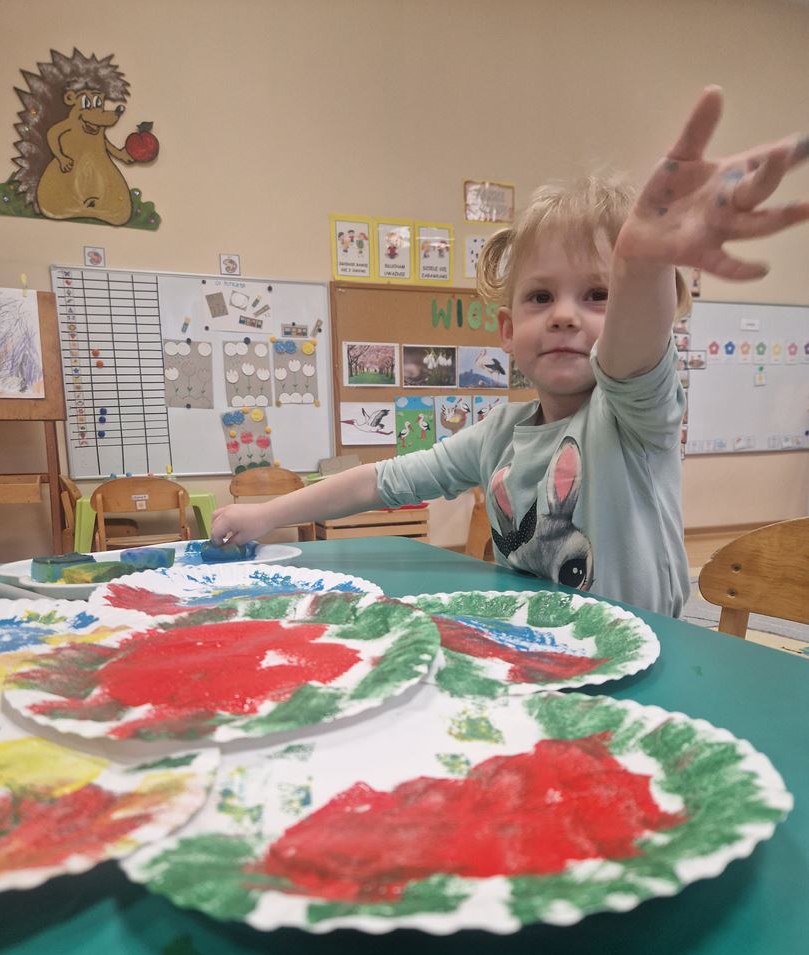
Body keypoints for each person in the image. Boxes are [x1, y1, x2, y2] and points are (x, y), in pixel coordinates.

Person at [211, 87, 809, 616]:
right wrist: (268, 513)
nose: (565, 315)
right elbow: (382, 481)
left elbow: (632, 348)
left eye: (599, 294)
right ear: (507, 328)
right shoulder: (496, 436)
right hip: (538, 651)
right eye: (541, 296)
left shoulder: (633, 414)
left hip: (650, 664)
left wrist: (644, 263)